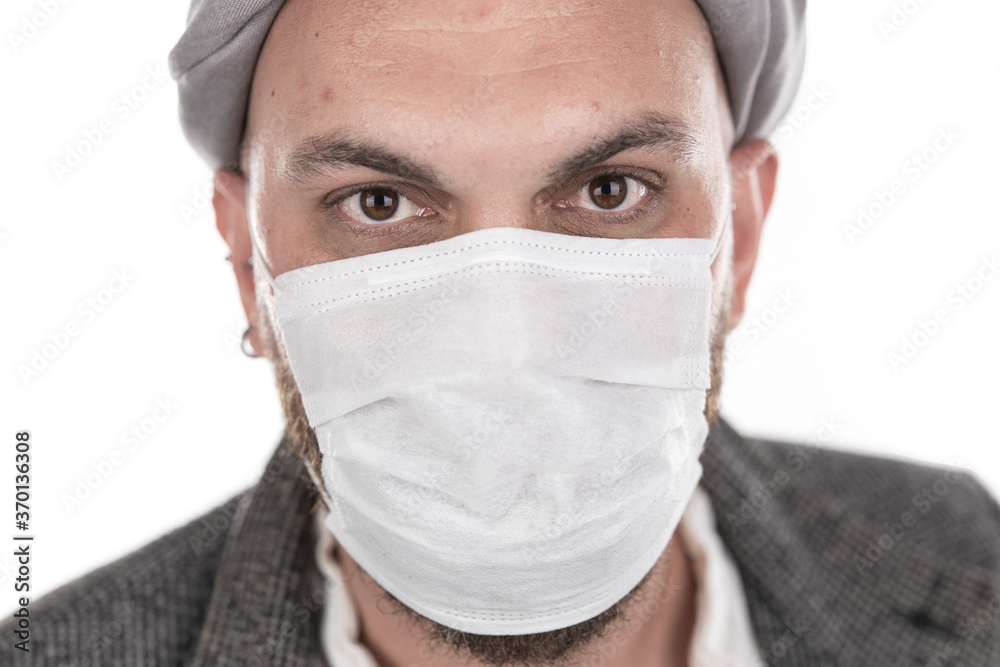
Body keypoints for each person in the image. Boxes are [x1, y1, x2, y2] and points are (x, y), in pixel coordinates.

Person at [5, 0, 1000, 665]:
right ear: (247, 264)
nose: (508, 344)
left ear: (736, 239)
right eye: (379, 203)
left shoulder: (973, 554)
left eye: (610, 191)